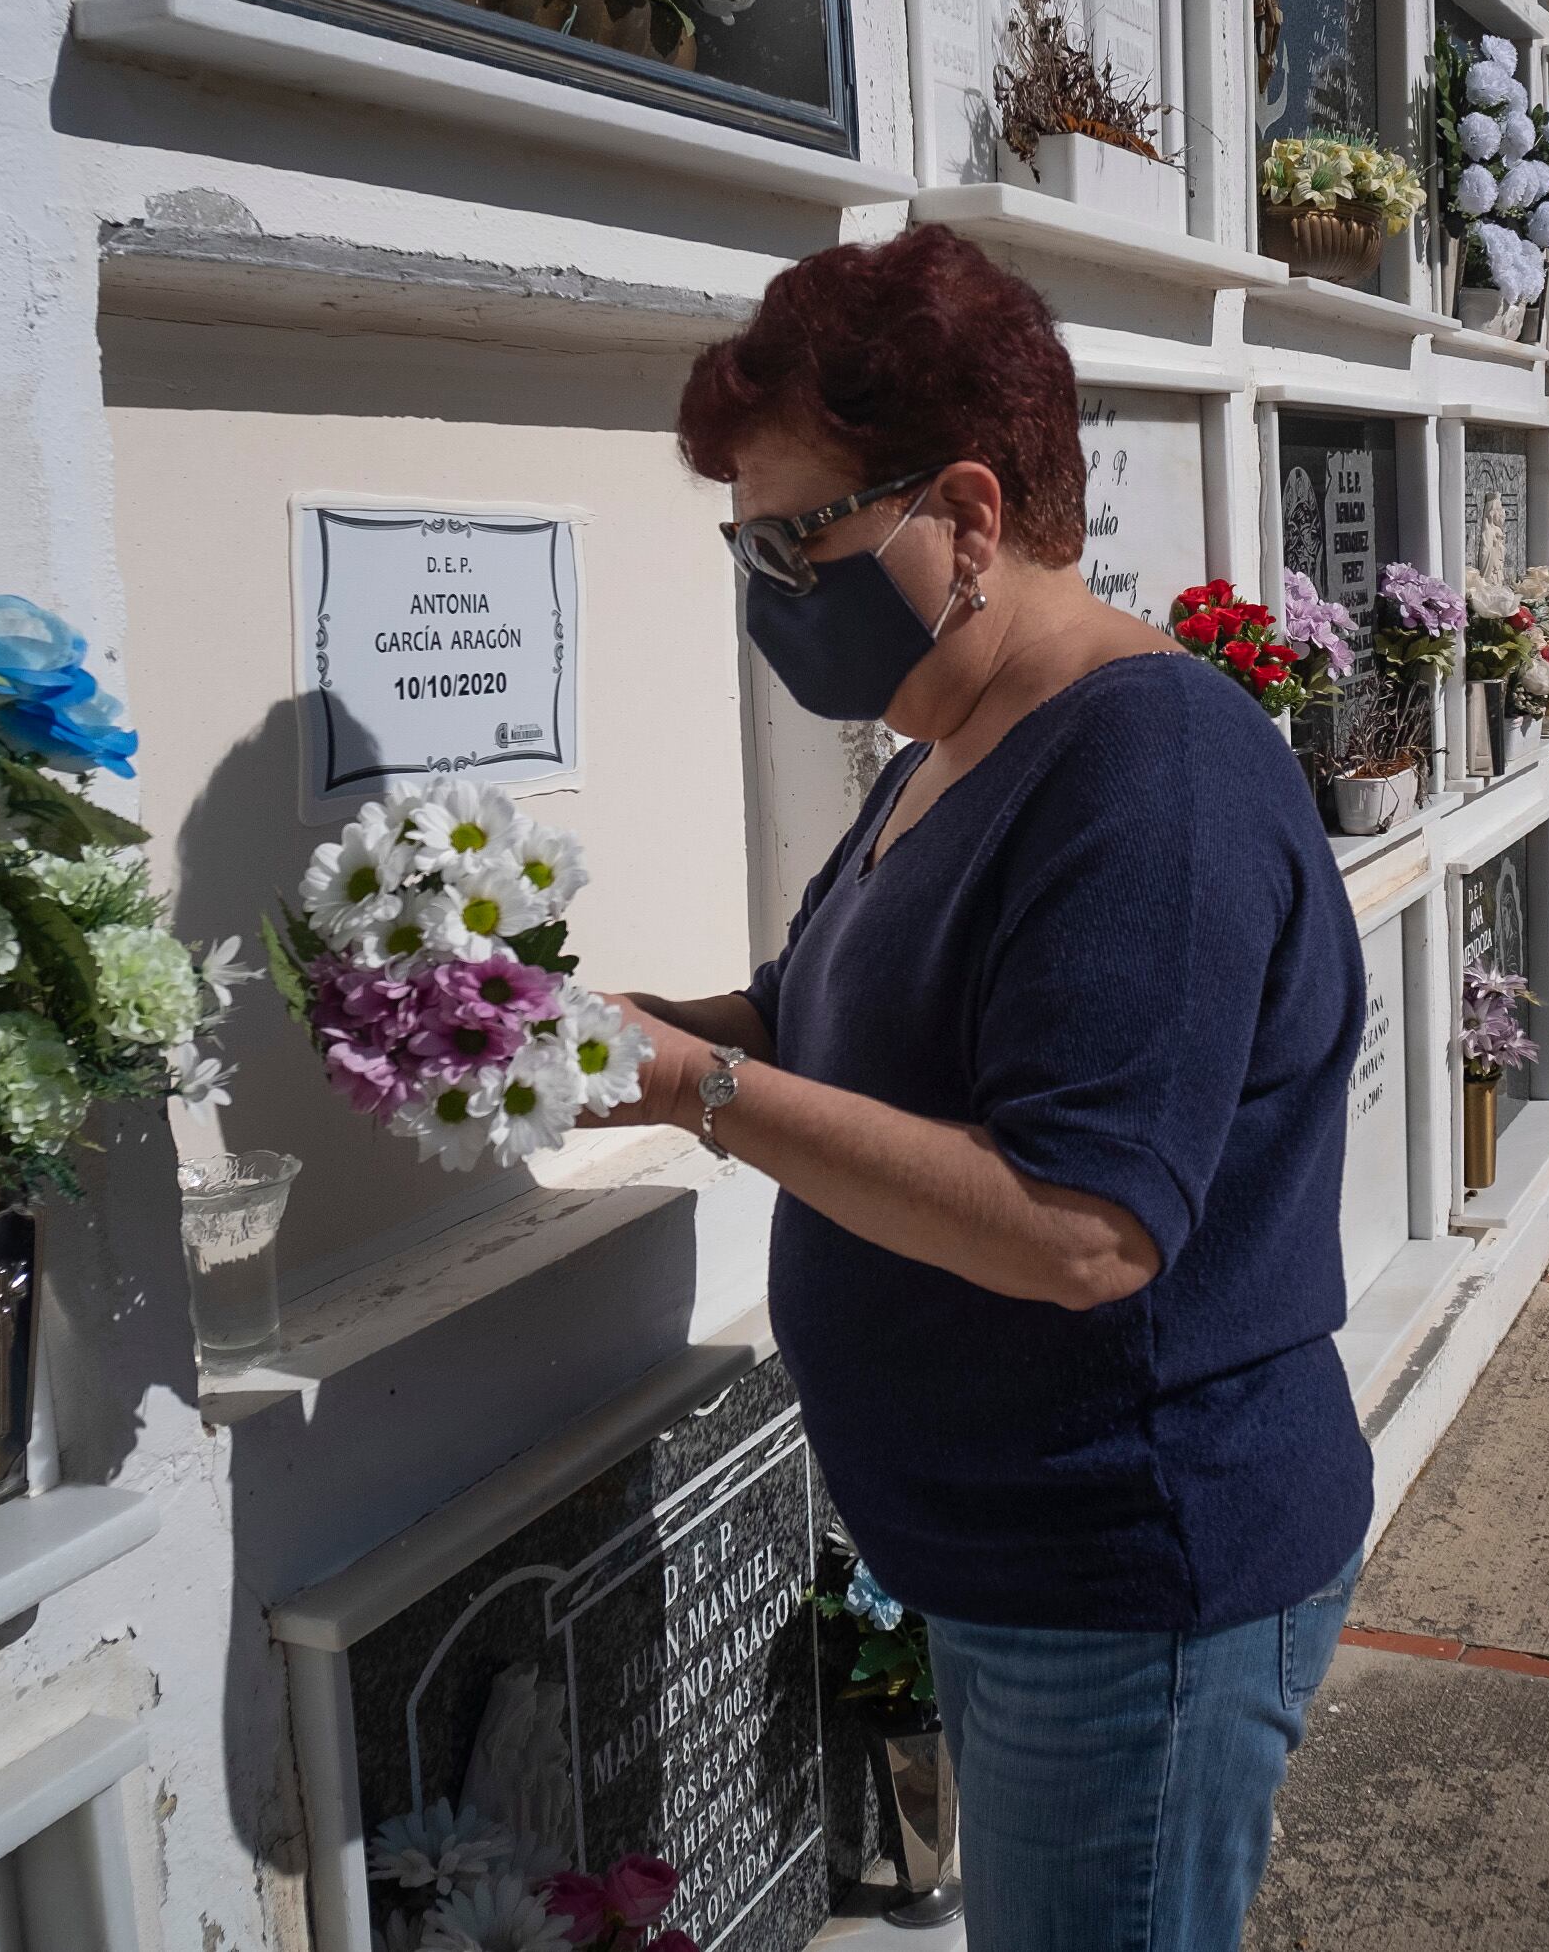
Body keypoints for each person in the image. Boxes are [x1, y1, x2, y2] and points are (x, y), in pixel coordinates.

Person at [605, 227, 1371, 1952]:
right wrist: (609, 1031)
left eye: (793, 534)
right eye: (742, 542)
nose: (762, 586)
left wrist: (693, 1084)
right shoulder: (946, 740)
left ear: (965, 508)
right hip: (1011, 1559)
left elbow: (1081, 1227)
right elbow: (824, 1022)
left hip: (1129, 1575)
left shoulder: (1146, 772)